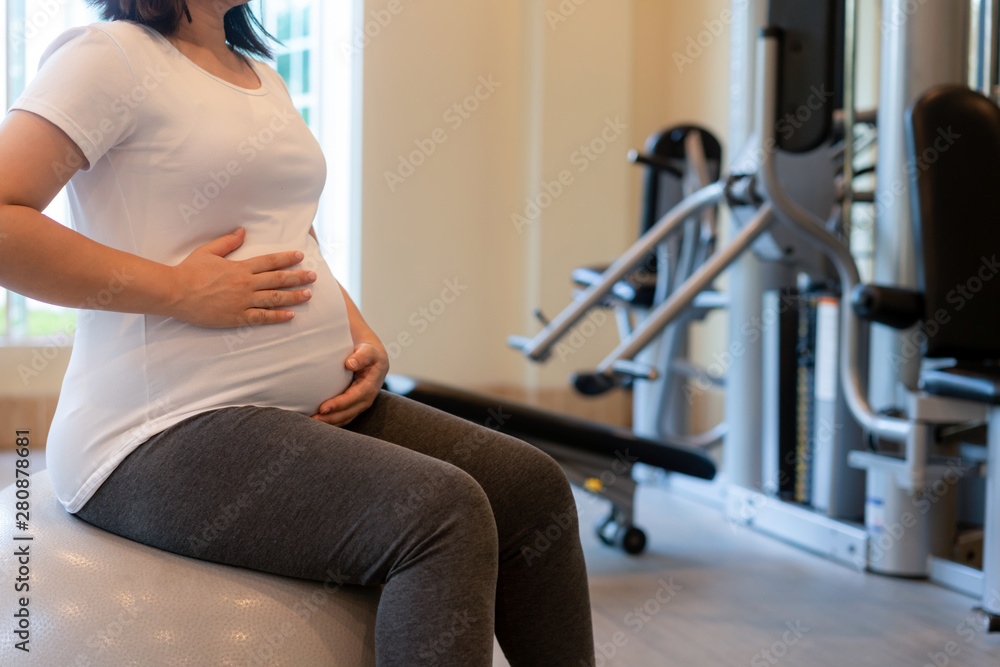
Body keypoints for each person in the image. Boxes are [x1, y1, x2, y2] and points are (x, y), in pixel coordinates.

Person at [0, 1, 596, 664]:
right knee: (441, 513)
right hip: (160, 427)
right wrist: (178, 290)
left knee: (531, 487)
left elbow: (288, 230)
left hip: (302, 408)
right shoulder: (109, 55)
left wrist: (356, 328)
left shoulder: (259, 73)